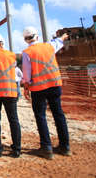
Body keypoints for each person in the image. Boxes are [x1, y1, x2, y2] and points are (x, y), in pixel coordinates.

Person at [22, 26, 71, 159]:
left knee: (40, 116)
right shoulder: (49, 46)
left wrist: (26, 86)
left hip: (38, 89)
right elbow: (59, 41)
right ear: (37, 36)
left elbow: (26, 75)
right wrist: (64, 36)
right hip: (55, 85)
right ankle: (65, 147)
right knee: (58, 114)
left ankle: (46, 147)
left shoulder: (27, 52)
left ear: (25, 39)